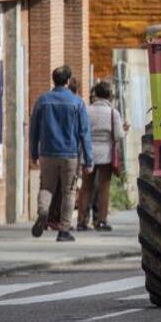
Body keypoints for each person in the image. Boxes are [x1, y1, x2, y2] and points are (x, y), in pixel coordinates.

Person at [29, 66, 92, 242]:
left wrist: (33, 152)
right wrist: (89, 159)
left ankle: (43, 212)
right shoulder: (77, 102)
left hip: (47, 153)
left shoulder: (42, 100)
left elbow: (34, 129)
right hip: (69, 154)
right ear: (67, 81)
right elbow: (84, 133)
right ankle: (64, 230)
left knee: (46, 187)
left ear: (53, 80)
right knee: (68, 192)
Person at [77, 82, 125, 232]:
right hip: (106, 154)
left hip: (87, 153)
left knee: (86, 188)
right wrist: (125, 130)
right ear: (109, 96)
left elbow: (80, 131)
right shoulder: (113, 113)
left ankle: (82, 221)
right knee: (104, 188)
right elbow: (118, 135)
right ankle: (101, 221)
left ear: (95, 94)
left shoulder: (86, 110)